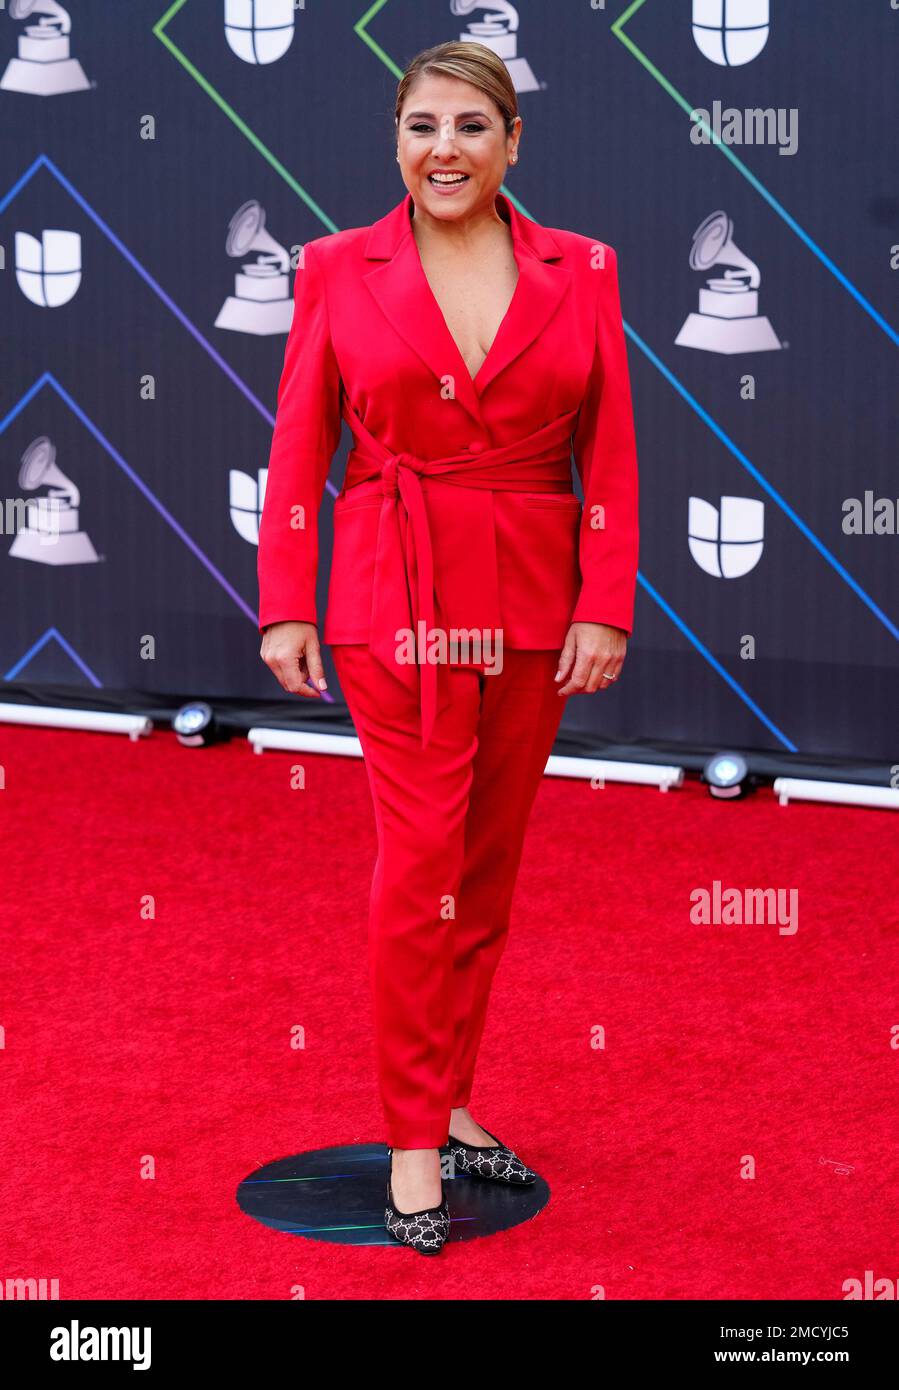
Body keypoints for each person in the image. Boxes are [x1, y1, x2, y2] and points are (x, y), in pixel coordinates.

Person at [258, 40, 639, 1255]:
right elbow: (298, 445)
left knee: (485, 866)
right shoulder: (334, 266)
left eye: (471, 126)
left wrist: (603, 602)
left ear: (512, 141)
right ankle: (413, 1141)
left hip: (531, 602)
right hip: (395, 593)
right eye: (422, 125)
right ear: (395, 139)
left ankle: (455, 1095)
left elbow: (609, 450)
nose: (444, 149)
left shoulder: (583, 268)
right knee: (419, 861)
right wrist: (286, 601)